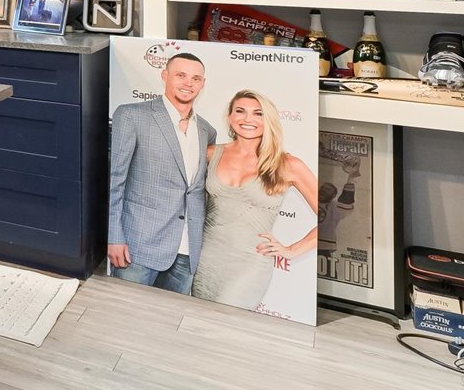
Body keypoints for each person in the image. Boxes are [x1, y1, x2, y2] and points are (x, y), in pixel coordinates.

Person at [191, 91, 319, 310]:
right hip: (205, 256)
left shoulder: (288, 165)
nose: (248, 119)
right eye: (240, 111)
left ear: (268, 120)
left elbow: (329, 216)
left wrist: (292, 250)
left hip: (250, 263)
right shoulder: (211, 153)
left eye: (258, 113)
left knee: (228, 323)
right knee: (199, 322)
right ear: (230, 117)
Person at [108, 52, 217, 293]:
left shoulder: (207, 131)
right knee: (125, 315)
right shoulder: (131, 116)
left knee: (171, 324)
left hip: (187, 250)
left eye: (196, 78)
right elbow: (114, 181)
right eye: (181, 75)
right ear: (164, 76)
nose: (188, 83)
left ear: (203, 84)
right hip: (138, 245)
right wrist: (114, 236)